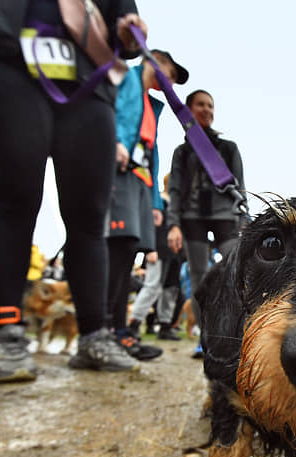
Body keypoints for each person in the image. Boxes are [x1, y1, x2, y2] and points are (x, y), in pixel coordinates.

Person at [0, 0, 149, 382]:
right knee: (13, 201)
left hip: (89, 87)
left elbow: (124, 35)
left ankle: (93, 334)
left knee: (89, 216)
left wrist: (131, 35)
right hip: (12, 69)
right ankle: (8, 334)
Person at [106, 48, 188, 361]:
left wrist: (155, 200)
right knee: (117, 245)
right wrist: (113, 140)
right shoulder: (123, 77)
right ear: (156, 60)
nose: (170, 83)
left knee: (129, 250)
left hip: (140, 182)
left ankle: (119, 330)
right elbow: (108, 110)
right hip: (118, 170)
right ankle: (107, 329)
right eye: (170, 74)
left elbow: (151, 154)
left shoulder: (152, 107)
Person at [167, 89, 245, 358]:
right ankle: (206, 337)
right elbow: (175, 189)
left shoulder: (228, 148)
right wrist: (173, 224)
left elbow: (239, 185)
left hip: (225, 216)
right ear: (189, 110)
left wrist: (243, 219)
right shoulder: (182, 152)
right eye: (200, 105)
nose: (207, 110)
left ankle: (237, 333)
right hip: (192, 219)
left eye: (210, 106)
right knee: (199, 279)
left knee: (236, 271)